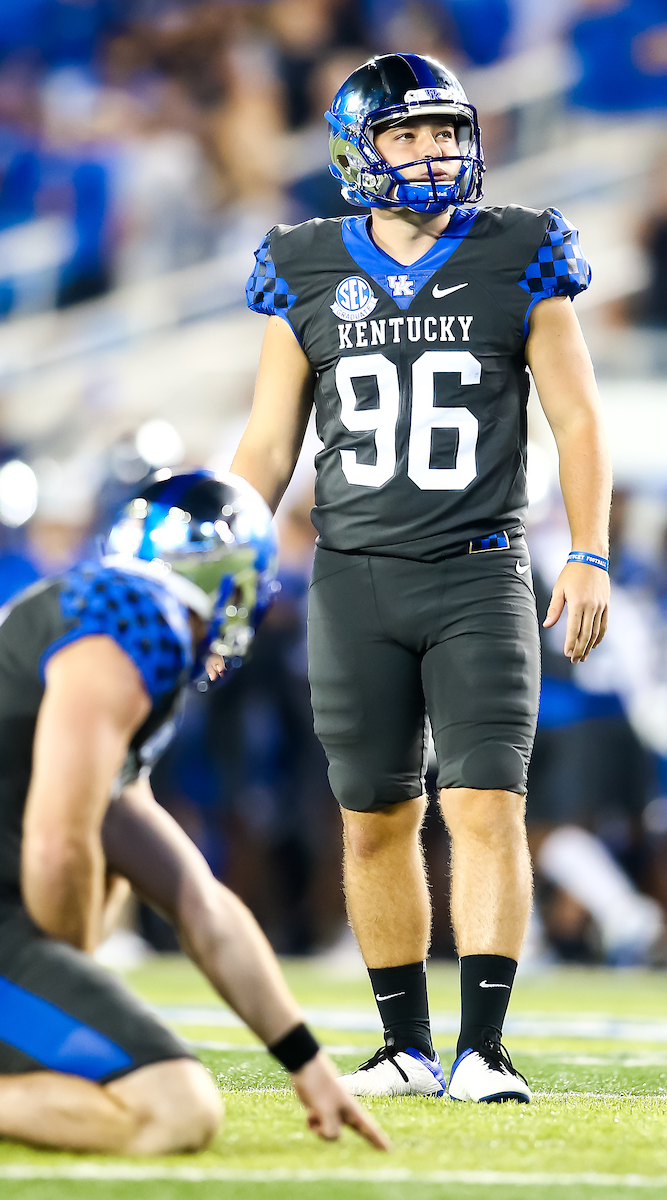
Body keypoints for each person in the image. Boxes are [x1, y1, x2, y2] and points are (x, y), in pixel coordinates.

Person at [0, 470, 389, 1156]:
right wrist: (63, 980)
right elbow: (58, 846)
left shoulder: (92, 613)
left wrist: (306, 1060)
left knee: (125, 869)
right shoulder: (137, 623)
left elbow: (198, 905)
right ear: (223, 577)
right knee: (175, 1110)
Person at [230, 53, 611, 1104]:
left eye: (448, 132)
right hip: (353, 578)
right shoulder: (304, 262)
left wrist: (587, 550)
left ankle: (484, 1049)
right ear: (360, 149)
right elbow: (268, 443)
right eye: (409, 134)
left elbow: (579, 417)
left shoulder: (519, 247)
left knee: (486, 803)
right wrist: (218, 553)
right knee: (373, 818)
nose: (436, 152)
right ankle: (405, 1044)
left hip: (480, 569)